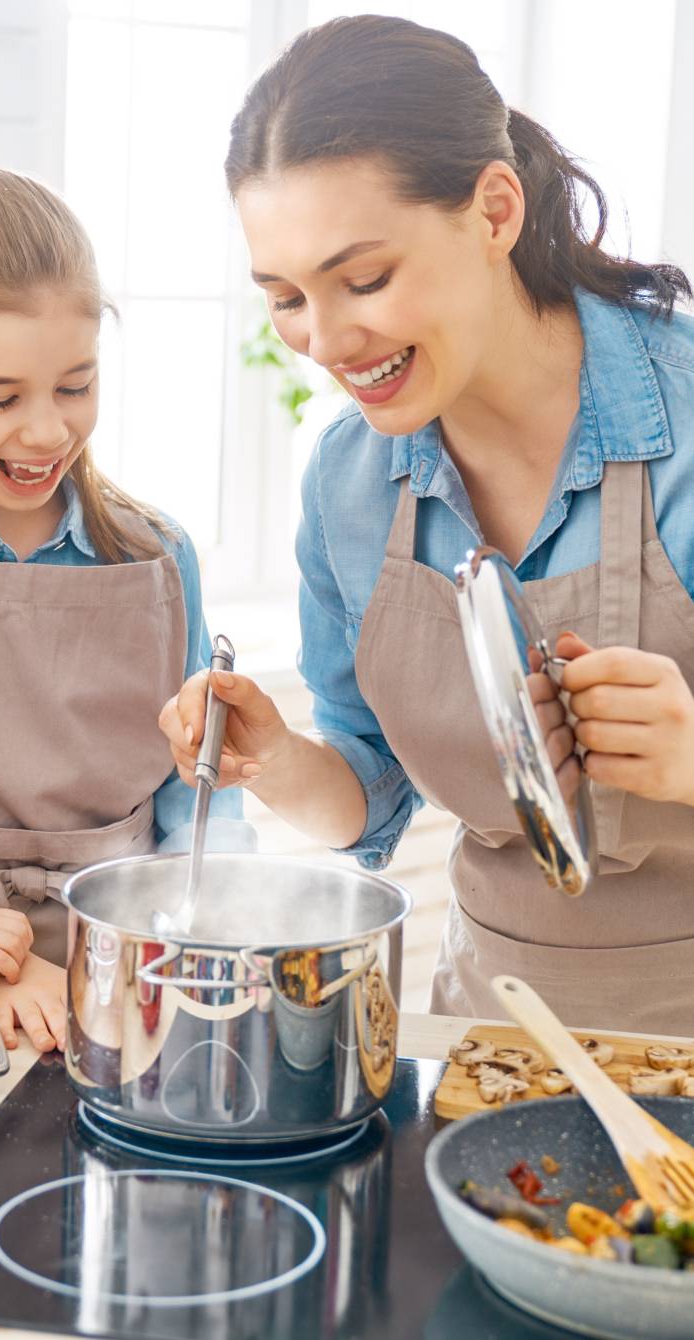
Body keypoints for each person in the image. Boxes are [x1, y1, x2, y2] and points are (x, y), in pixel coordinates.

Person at [161, 15, 694, 1034]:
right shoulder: (350, 486)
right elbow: (370, 797)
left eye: (363, 280)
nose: (324, 340)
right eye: (284, 297)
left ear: (494, 210)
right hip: (486, 1035)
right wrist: (271, 757)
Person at [0, 168, 250, 1053]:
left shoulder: (158, 554)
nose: (46, 432)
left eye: (75, 387)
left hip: (149, 970)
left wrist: (208, 922)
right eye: (0, 399)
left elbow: (197, 790)